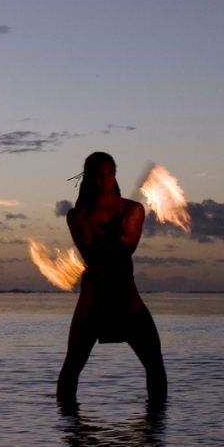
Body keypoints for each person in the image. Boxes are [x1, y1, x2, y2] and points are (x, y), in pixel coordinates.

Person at [56, 152, 167, 406]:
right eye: (96, 175)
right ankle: (68, 426)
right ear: (88, 178)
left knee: (154, 361)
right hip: (93, 298)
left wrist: (118, 237)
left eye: (106, 174)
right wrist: (111, 239)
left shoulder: (133, 209)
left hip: (125, 295)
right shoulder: (77, 216)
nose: (101, 179)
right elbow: (90, 251)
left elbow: (128, 247)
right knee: (73, 364)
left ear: (113, 175)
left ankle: (157, 422)